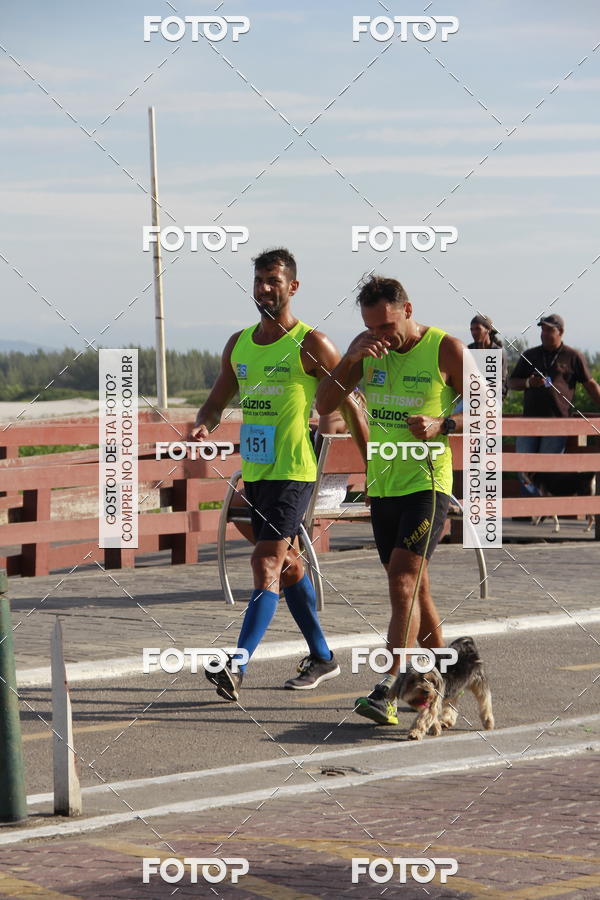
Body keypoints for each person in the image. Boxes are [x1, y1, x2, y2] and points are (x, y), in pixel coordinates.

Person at [190, 247, 368, 702]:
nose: (265, 288)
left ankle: (237, 664)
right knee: (287, 564)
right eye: (259, 281)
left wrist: (372, 460)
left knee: (265, 560)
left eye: (274, 280)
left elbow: (349, 399)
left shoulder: (313, 343)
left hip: (295, 471)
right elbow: (216, 401)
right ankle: (323, 655)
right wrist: (202, 424)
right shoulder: (240, 343)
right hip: (256, 471)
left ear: (293, 286)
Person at [316, 274, 465, 725]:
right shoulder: (366, 350)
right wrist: (350, 362)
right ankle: (449, 684)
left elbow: (485, 409)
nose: (382, 336)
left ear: (408, 310)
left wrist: (443, 425)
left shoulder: (445, 349)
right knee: (416, 588)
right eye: (372, 327)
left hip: (427, 483)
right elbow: (325, 403)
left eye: (387, 326)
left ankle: (387, 688)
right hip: (383, 485)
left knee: (402, 580)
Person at [508, 314, 600, 495]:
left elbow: (589, 384)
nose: (544, 333)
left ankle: (541, 510)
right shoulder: (530, 355)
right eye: (542, 329)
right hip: (528, 422)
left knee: (548, 468)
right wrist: (528, 383)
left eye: (549, 330)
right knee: (522, 465)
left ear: (561, 332)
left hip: (557, 422)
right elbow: (512, 382)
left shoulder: (573, 356)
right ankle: (530, 509)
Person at [468, 314, 508, 400]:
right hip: (472, 396)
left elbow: (497, 383)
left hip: (493, 398)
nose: (474, 332)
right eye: (472, 329)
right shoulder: (469, 350)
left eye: (478, 329)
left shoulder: (498, 352)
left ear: (488, 330)